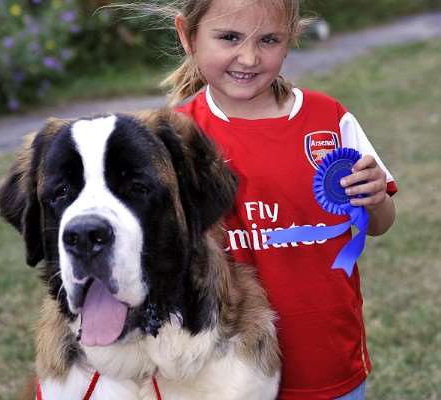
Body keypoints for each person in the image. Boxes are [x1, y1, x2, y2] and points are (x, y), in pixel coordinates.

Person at [142, 0, 398, 398]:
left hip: (328, 358)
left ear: (291, 37)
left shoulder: (329, 118)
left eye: (269, 39)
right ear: (187, 35)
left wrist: (375, 197)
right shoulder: (176, 136)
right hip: (223, 371)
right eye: (229, 37)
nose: (248, 56)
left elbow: (380, 223)